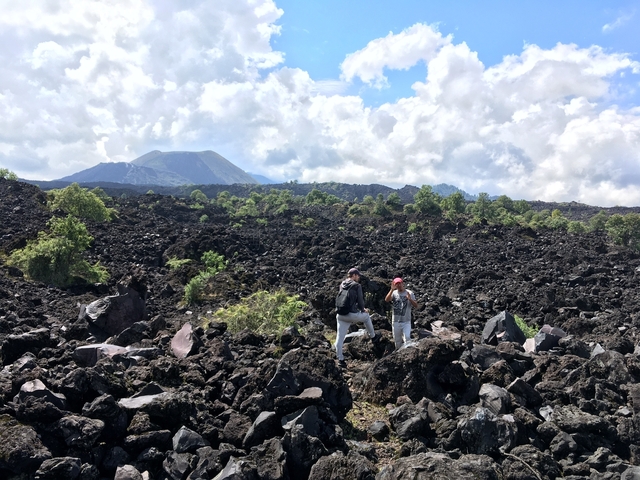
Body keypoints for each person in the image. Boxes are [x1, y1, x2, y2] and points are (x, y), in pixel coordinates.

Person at [335, 268, 379, 367]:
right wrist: (363, 309)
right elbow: (360, 301)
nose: (359, 277)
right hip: (351, 314)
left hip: (341, 314)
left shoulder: (342, 284)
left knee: (339, 338)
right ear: (354, 275)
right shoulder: (356, 286)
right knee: (366, 317)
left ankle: (340, 360)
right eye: (358, 275)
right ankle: (373, 337)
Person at [385, 277, 418, 349]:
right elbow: (387, 300)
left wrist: (410, 299)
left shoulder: (410, 293)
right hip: (396, 321)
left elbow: (416, 305)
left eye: (399, 283)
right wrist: (391, 289)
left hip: (406, 321)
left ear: (403, 283)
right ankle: (399, 354)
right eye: (396, 284)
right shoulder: (394, 293)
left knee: (407, 338)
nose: (398, 285)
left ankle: (408, 354)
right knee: (397, 341)